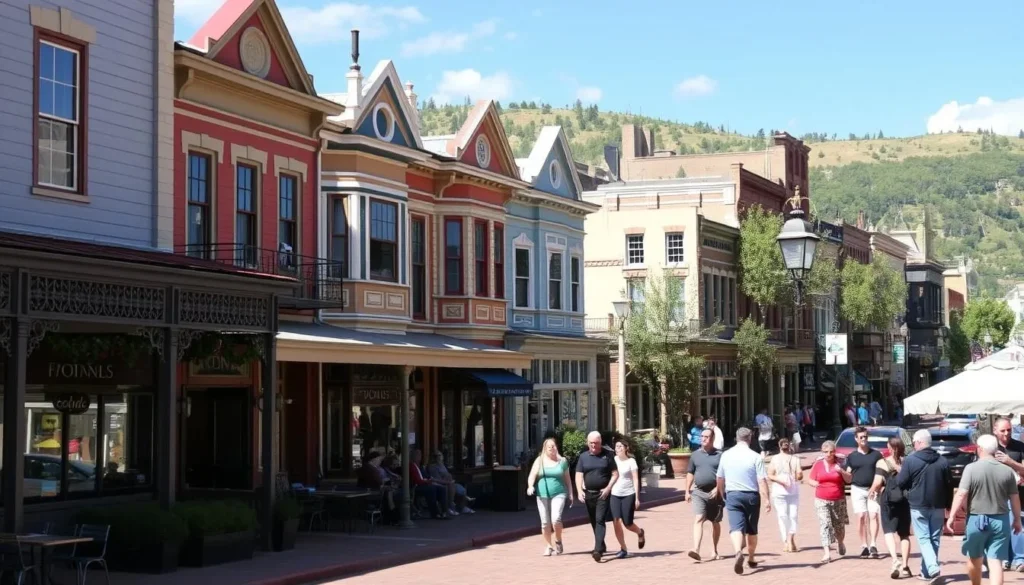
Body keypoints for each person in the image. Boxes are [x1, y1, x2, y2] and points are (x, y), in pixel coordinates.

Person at [948, 433, 1023, 585]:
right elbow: (1015, 498)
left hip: (976, 519)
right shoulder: (1007, 471)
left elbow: (962, 493)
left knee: (974, 558)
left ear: (979, 449)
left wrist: (951, 516)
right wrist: (1016, 520)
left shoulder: (970, 469)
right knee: (995, 561)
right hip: (1001, 520)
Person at [896, 429, 951, 583]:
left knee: (924, 538)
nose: (913, 445)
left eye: (914, 442)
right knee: (934, 539)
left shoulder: (910, 461)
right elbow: (949, 485)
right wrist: (948, 505)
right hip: (938, 505)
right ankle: (926, 573)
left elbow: (901, 482)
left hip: (918, 504)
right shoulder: (942, 461)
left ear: (919, 442)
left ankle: (933, 568)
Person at [715, 427, 771, 575]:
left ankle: (738, 551)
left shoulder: (726, 455)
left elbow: (720, 478)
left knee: (735, 527)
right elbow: (762, 480)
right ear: (750, 438)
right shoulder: (755, 456)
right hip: (751, 495)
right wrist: (767, 499)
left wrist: (721, 493)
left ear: (736, 438)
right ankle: (751, 557)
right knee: (752, 530)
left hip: (733, 494)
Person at [869, 436, 913, 579]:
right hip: (904, 500)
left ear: (890, 447)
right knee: (904, 534)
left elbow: (877, 482)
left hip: (888, 500)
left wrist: (872, 491)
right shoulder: (906, 462)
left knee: (888, 531)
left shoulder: (882, 462)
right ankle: (906, 566)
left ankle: (895, 560)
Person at [575, 431, 619, 563]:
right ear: (588, 443)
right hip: (589, 493)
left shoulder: (608, 455)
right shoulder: (583, 457)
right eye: (591, 443)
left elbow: (615, 474)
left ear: (601, 442)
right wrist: (579, 490)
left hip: (603, 493)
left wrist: (608, 488)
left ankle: (597, 550)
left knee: (600, 519)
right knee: (594, 520)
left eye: (596, 443)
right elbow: (578, 474)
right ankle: (602, 544)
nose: (594, 445)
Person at [526, 438, 573, 556]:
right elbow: (532, 475)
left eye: (553, 446)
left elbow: (567, 479)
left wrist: (571, 493)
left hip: (559, 492)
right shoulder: (539, 460)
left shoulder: (562, 461)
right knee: (545, 522)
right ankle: (548, 545)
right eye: (549, 447)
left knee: (556, 519)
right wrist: (530, 486)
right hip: (542, 494)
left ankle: (558, 539)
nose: (552, 448)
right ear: (545, 449)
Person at [808, 440, 851, 563]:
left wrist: (841, 471)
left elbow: (848, 480)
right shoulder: (818, 464)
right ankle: (827, 553)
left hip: (838, 499)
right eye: (826, 452)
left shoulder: (840, 463)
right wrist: (814, 483)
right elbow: (810, 479)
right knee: (825, 524)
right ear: (823, 452)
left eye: (831, 452)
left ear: (834, 452)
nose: (828, 454)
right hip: (821, 499)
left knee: (839, 526)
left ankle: (841, 542)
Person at [685, 427, 723, 562]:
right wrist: (687, 490)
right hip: (699, 492)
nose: (703, 439)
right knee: (699, 518)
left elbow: (725, 475)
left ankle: (714, 550)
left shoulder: (720, 455)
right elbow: (690, 472)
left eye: (706, 436)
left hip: (715, 494)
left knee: (715, 521)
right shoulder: (695, 455)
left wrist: (718, 488)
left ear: (712, 439)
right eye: (702, 436)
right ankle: (696, 549)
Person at [845, 426, 883, 558]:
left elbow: (882, 472)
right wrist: (841, 472)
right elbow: (848, 475)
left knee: (873, 515)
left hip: (873, 489)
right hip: (857, 489)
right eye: (861, 437)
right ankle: (864, 545)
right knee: (861, 517)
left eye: (865, 437)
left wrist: (880, 486)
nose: (863, 439)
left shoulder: (876, 455)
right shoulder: (852, 456)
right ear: (856, 439)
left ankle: (873, 544)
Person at [994, 417, 1024, 571]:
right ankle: (1005, 558)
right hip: (995, 494)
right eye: (1003, 430)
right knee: (1000, 527)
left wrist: (1009, 461)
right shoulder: (990, 447)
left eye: (1009, 430)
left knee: (1016, 524)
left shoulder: (1019, 447)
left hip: (1016, 494)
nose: (1006, 433)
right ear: (995, 431)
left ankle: (1019, 559)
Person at [610, 440, 646, 558]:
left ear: (626, 448)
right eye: (616, 446)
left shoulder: (631, 461)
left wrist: (637, 497)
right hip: (615, 494)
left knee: (627, 523)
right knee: (616, 520)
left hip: (628, 494)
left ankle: (640, 532)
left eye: (620, 446)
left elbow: (635, 479)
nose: (618, 448)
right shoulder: (613, 460)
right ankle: (623, 548)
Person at [768, 437, 803, 552]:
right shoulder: (775, 459)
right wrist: (781, 480)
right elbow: (770, 475)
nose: (785, 445)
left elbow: (799, 474)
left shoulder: (795, 459)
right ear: (779, 446)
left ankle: (791, 538)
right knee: (783, 516)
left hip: (793, 491)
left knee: (792, 515)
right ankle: (786, 541)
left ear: (789, 445)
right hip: (779, 491)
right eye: (783, 444)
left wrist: (799, 475)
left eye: (786, 444)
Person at [409, 449, 450, 519]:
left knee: (441, 489)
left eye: (420, 455)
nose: (419, 457)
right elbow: (417, 481)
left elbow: (428, 476)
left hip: (424, 484)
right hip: (415, 487)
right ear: (412, 456)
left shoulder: (420, 466)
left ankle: (444, 512)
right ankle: (435, 513)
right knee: (431, 488)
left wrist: (431, 480)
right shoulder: (411, 466)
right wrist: (429, 482)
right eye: (417, 455)